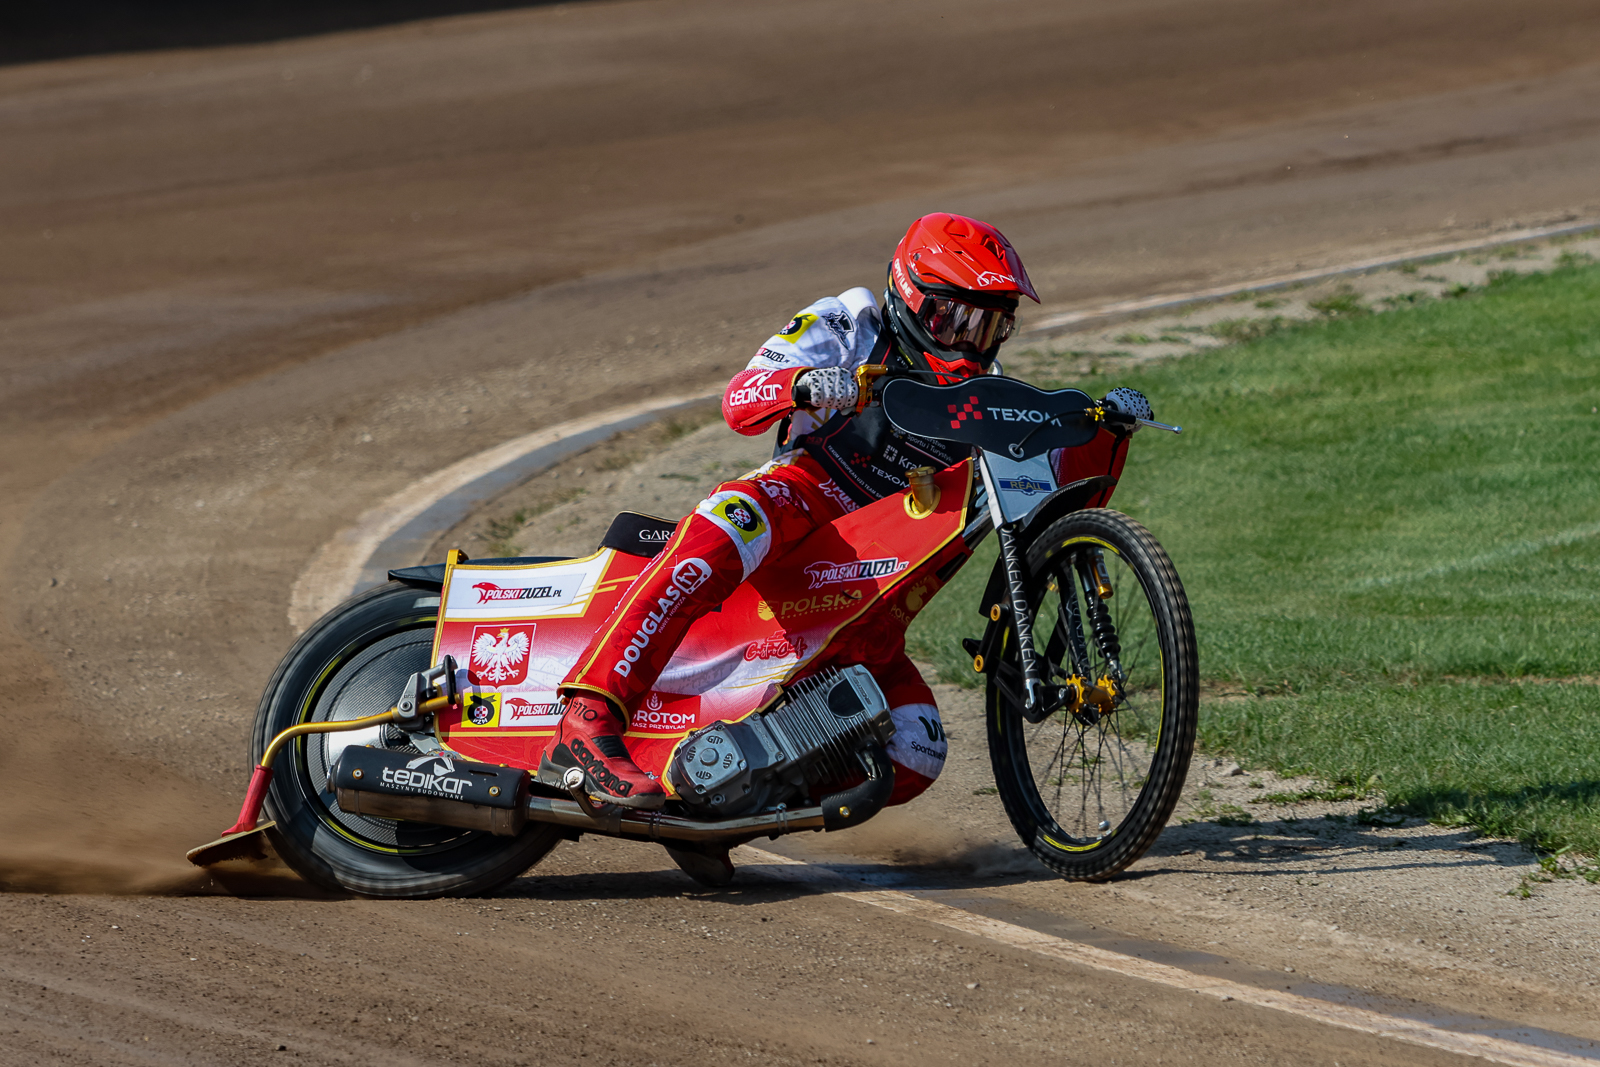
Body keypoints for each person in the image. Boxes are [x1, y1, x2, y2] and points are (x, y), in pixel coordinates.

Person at [538, 212, 1120, 810]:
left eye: (991, 326)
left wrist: (1098, 426)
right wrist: (807, 384)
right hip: (801, 509)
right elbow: (738, 400)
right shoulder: (850, 321)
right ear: (911, 295)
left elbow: (1045, 507)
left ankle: (725, 794)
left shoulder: (986, 395)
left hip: (873, 589)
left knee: (918, 748)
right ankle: (587, 717)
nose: (971, 345)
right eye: (956, 319)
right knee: (732, 517)